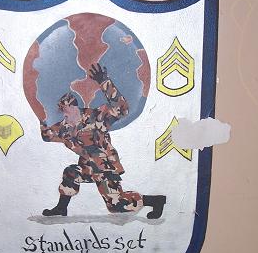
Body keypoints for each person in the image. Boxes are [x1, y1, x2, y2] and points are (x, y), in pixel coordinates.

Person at [40, 64, 166, 219]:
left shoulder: (96, 116)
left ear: (74, 107)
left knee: (116, 206)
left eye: (66, 110)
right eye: (62, 112)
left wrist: (104, 81)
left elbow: (122, 109)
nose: (64, 115)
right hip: (88, 167)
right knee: (71, 172)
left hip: (105, 167)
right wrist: (42, 118)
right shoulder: (65, 127)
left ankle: (155, 201)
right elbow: (47, 136)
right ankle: (61, 208)